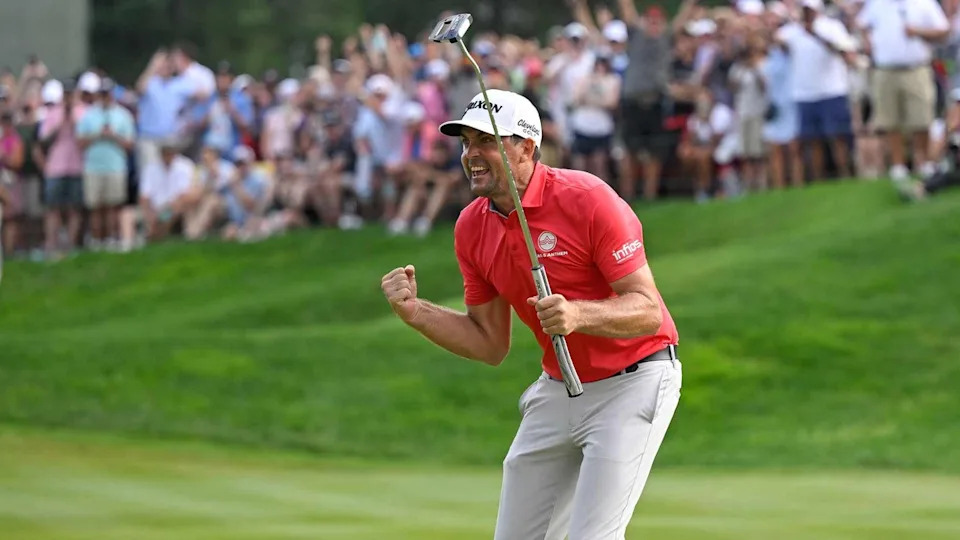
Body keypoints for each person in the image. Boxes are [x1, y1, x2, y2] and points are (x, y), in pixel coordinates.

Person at [380, 90, 681, 540]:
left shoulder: (589, 198)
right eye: (466, 143)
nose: (472, 155)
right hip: (558, 387)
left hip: (634, 381)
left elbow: (648, 312)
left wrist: (577, 314)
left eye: (487, 141)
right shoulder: (471, 225)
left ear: (526, 147)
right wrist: (416, 313)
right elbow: (489, 343)